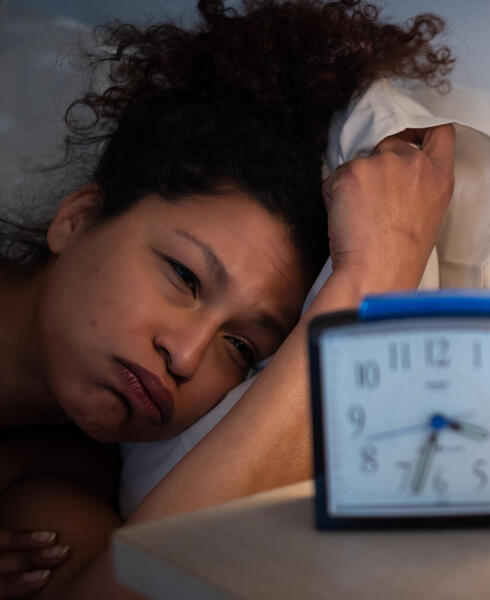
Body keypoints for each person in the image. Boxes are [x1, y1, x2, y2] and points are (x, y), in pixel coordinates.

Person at [0, 0, 455, 597]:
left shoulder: (60, 483)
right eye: (184, 277)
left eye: (239, 347)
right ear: (79, 218)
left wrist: (369, 287)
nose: (185, 357)